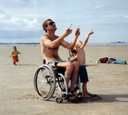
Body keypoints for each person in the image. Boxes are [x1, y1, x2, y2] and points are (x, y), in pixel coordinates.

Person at [40, 19, 80, 101]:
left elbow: (70, 46)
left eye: (54, 22)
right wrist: (64, 35)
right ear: (46, 27)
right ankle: (65, 90)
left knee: (76, 64)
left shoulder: (58, 38)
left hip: (58, 61)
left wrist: (76, 36)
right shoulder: (44, 37)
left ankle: (71, 90)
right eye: (51, 23)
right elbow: (51, 45)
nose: (53, 24)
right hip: (49, 62)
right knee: (69, 64)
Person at [69, 30, 96, 98]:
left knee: (85, 81)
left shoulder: (80, 50)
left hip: (82, 66)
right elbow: (85, 42)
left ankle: (85, 92)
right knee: (84, 81)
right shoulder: (80, 49)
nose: (81, 43)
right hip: (81, 67)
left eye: (81, 42)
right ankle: (84, 94)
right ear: (77, 46)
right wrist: (88, 35)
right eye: (80, 42)